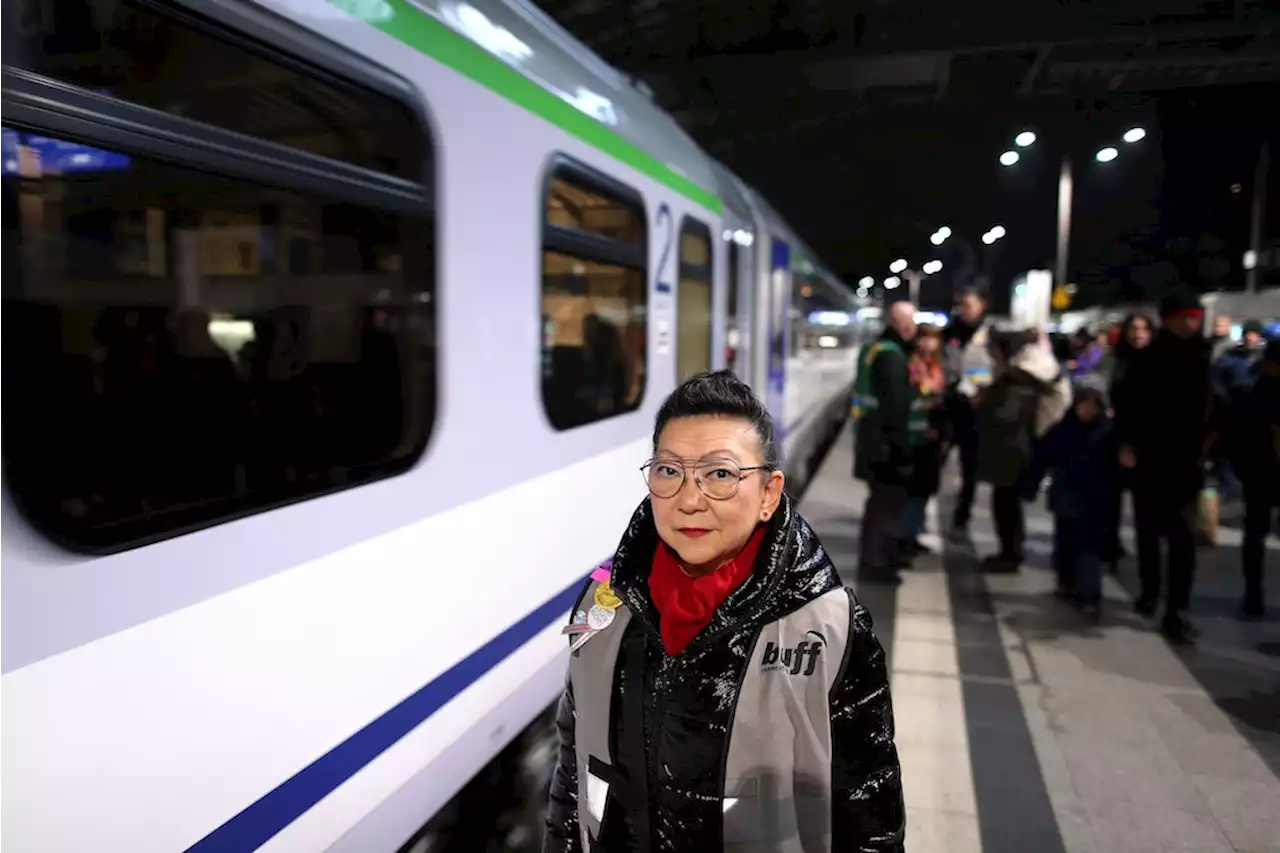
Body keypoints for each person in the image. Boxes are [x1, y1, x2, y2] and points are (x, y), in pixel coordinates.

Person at [543, 370, 906, 853]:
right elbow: (574, 768)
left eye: (721, 474)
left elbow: (869, 812)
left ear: (769, 494)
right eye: (669, 471)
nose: (690, 500)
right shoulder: (607, 603)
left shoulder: (829, 630)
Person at [1115, 284, 1211, 645]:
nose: (1192, 325)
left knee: (1183, 539)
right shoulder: (1149, 359)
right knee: (1149, 532)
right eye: (1186, 319)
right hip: (1151, 457)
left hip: (1185, 461)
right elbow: (1128, 404)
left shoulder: (1202, 357)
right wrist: (1128, 443)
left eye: (1195, 319)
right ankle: (1150, 591)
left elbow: (1209, 410)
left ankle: (1176, 609)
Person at [975, 328, 1071, 573]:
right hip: (1013, 451)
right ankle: (1010, 551)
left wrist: (982, 403)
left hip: (1014, 453)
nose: (988, 353)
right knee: (1007, 504)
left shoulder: (1017, 382)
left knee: (1007, 505)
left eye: (992, 348)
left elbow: (1005, 416)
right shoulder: (1017, 378)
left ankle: (1010, 554)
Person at [1024, 374, 1117, 619]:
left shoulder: (1108, 433)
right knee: (1065, 543)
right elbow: (1042, 457)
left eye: (1093, 403)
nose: (1087, 409)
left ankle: (1090, 596)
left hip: (1094, 499)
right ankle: (1066, 583)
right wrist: (1030, 485)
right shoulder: (1064, 429)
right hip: (1066, 496)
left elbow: (1117, 468)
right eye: (1083, 402)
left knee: (1088, 549)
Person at [853, 301, 918, 582]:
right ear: (900, 323)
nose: (914, 327)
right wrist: (902, 451)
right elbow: (896, 408)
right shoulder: (892, 356)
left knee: (879, 502)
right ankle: (876, 562)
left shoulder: (873, 349)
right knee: (887, 503)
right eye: (911, 321)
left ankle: (875, 557)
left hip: (869, 437)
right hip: (884, 444)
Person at [1227, 338, 1280, 619]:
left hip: (1258, 472)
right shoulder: (1252, 392)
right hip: (1261, 471)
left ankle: (1253, 594)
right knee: (1255, 536)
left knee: (1255, 536)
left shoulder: (1250, 389)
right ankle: (1252, 594)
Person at [1101, 313, 1154, 568]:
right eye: (1133, 328)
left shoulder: (1158, 360)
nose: (1138, 333)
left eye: (1143, 328)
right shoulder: (1115, 359)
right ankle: (1109, 544)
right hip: (1116, 434)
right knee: (1110, 497)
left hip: (1147, 439)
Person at [942, 283, 994, 537]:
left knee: (970, 468)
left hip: (976, 410)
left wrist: (984, 392)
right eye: (962, 304)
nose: (964, 309)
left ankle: (961, 518)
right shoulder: (950, 332)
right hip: (949, 406)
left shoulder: (991, 334)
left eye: (969, 304)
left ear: (982, 306)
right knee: (934, 460)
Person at [898, 323, 949, 562]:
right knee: (912, 491)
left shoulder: (936, 367)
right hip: (914, 437)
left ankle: (912, 535)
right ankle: (903, 539)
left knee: (924, 491)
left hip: (932, 438)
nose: (928, 343)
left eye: (932, 339)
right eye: (924, 338)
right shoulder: (910, 366)